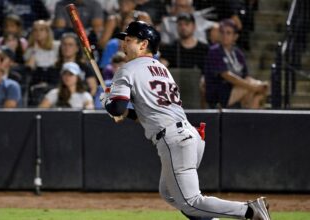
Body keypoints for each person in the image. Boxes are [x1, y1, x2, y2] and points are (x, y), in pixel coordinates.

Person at [100, 20, 271, 220]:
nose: (123, 44)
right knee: (170, 193)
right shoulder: (162, 70)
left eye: (128, 40)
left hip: (174, 140)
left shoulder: (127, 69)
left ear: (143, 44)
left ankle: (250, 210)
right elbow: (145, 114)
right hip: (189, 136)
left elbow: (117, 106)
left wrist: (108, 103)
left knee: (191, 202)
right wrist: (122, 112)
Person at [204, 19, 268, 109]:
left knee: (259, 92)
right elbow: (227, 76)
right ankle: (250, 119)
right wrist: (252, 86)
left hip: (235, 90)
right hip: (219, 93)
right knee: (249, 89)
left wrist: (259, 85)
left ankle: (251, 120)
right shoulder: (214, 51)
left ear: (235, 36)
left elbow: (246, 76)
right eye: (222, 32)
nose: (225, 35)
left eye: (228, 33)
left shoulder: (238, 53)